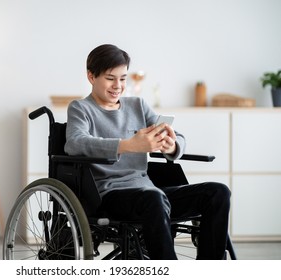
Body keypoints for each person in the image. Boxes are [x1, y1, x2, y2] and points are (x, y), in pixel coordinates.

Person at [64, 44, 231, 260]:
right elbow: (76, 143)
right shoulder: (80, 108)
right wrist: (128, 145)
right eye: (110, 78)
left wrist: (171, 146)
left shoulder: (137, 105)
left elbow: (177, 136)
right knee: (154, 197)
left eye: (123, 78)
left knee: (218, 192)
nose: (118, 86)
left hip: (150, 194)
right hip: (109, 196)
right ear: (91, 76)